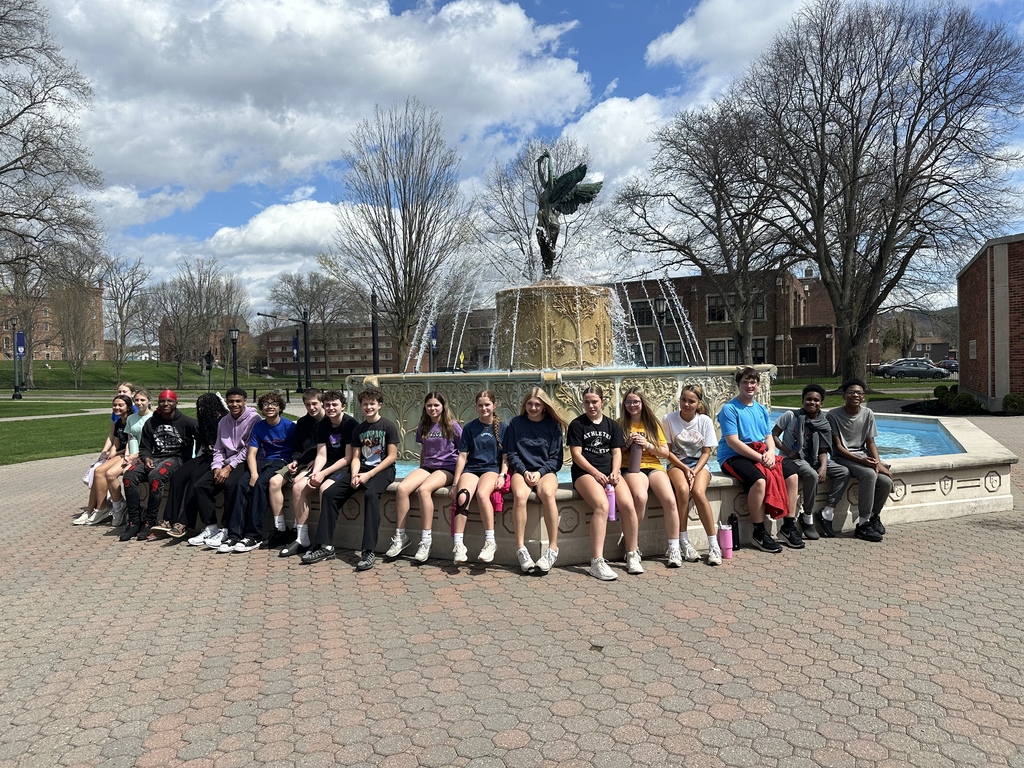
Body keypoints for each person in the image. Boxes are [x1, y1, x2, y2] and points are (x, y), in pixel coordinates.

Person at [301, 386, 398, 570]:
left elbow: (392, 457)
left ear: (379, 405)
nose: (368, 407)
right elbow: (354, 457)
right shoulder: (358, 429)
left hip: (383, 471)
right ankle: (326, 546)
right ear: (361, 406)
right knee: (329, 494)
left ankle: (368, 551)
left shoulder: (388, 426)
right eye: (365, 404)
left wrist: (369, 474)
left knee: (370, 495)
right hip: (361, 469)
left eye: (372, 404)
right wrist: (354, 475)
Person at [717, 367, 801, 553]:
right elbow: (733, 442)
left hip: (761, 454)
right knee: (759, 481)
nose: (749, 386)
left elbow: (768, 435)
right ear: (738, 385)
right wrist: (762, 459)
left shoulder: (760, 409)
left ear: (758, 385)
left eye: (752, 382)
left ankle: (788, 525)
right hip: (733, 456)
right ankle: (759, 532)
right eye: (745, 382)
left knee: (792, 475)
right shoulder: (729, 409)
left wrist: (771, 452)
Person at [567, 385, 640, 580]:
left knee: (628, 505)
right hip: (585, 473)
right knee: (601, 506)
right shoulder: (577, 424)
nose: (590, 406)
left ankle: (632, 553)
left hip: (609, 472)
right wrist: (595, 472)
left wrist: (615, 472)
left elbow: (616, 451)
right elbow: (576, 455)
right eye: (587, 402)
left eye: (594, 402)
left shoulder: (611, 425)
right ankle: (597, 561)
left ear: (602, 402)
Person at [386, 392, 462, 563]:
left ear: (443, 406)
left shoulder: (452, 425)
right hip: (427, 466)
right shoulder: (424, 424)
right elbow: (423, 450)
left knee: (424, 490)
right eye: (429, 405)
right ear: (425, 407)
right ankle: (400, 537)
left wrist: (458, 480)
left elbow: (463, 451)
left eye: (436, 405)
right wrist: (420, 469)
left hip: (447, 468)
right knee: (402, 488)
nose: (433, 408)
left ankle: (426, 540)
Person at [280, 389, 357, 558]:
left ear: (343, 406)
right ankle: (302, 538)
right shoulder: (323, 425)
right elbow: (321, 454)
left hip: (343, 466)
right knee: (298, 487)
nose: (330, 408)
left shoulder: (350, 424)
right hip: (326, 464)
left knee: (325, 490)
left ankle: (325, 543)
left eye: (334, 405)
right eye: (328, 405)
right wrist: (315, 474)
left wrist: (323, 474)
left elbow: (348, 458)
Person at [218, 392, 296, 553]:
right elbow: (251, 454)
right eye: (266, 404)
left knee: (261, 484)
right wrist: (253, 473)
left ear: (280, 407)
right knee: (241, 484)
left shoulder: (289, 426)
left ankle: (253, 535)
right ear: (261, 408)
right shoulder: (259, 427)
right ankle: (234, 535)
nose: (270, 407)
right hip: (262, 462)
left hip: (282, 462)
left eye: (274, 403)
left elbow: (298, 450)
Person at [772, 383, 850, 539]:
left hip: (814, 459)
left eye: (816, 400)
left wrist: (823, 467)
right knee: (811, 475)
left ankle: (827, 510)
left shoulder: (823, 423)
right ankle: (807, 517)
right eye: (808, 399)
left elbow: (823, 450)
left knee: (843, 471)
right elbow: (773, 435)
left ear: (821, 403)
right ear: (802, 401)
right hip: (790, 459)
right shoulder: (791, 416)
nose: (812, 403)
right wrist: (788, 451)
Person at [120, 389, 199, 541]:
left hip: (177, 458)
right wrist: (146, 457)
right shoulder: (152, 422)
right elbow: (144, 447)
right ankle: (134, 521)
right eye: (162, 401)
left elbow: (203, 437)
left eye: (169, 401)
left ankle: (150, 521)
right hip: (156, 457)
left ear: (176, 403)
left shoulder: (187, 422)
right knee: (129, 476)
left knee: (156, 477)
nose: (166, 404)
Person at [186, 388, 260, 548]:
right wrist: (216, 467)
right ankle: (211, 527)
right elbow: (218, 448)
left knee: (230, 485)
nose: (235, 404)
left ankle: (227, 529)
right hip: (225, 462)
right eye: (231, 401)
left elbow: (248, 449)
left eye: (238, 401)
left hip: (244, 461)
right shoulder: (223, 421)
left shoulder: (254, 419)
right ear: (226, 402)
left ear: (245, 401)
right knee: (200, 486)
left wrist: (229, 468)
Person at [618, 386, 682, 570]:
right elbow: (614, 452)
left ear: (642, 403)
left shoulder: (653, 424)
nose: (632, 405)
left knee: (670, 500)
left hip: (653, 467)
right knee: (640, 497)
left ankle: (674, 547)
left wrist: (647, 444)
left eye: (636, 401)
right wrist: (627, 444)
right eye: (629, 402)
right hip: (630, 468)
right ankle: (633, 546)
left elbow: (664, 452)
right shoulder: (619, 423)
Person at [152, 392, 230, 539]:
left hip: (220, 459)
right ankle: (169, 519)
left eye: (204, 407)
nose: (200, 410)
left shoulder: (223, 421)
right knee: (178, 476)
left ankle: (183, 523)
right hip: (204, 456)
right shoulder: (204, 421)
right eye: (199, 407)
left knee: (195, 479)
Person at [505, 387, 566, 574]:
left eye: (537, 404)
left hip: (545, 471)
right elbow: (511, 453)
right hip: (521, 471)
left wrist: (540, 472)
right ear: (525, 404)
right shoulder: (516, 423)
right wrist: (523, 471)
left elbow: (556, 458)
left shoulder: (553, 425)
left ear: (544, 406)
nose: (533, 407)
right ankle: (521, 548)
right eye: (530, 404)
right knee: (520, 495)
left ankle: (552, 548)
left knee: (548, 493)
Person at [825, 378, 893, 542]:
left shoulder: (867, 413)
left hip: (863, 456)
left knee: (885, 481)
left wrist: (877, 463)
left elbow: (870, 443)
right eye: (851, 392)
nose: (855, 395)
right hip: (843, 457)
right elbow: (838, 447)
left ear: (863, 397)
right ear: (844, 395)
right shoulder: (833, 415)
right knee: (869, 475)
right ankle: (862, 525)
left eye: (859, 393)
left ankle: (873, 516)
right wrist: (866, 463)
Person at [662, 384, 722, 566]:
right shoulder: (669, 419)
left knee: (698, 492)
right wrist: (685, 469)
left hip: (699, 465)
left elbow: (706, 452)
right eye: (683, 400)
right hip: (677, 464)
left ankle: (713, 545)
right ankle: (684, 542)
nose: (686, 404)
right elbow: (667, 451)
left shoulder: (704, 421)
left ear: (698, 403)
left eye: (691, 401)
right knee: (681, 489)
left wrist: (694, 471)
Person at [450, 390, 508, 565]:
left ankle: (490, 542)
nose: (484, 408)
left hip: (491, 469)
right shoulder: (469, 428)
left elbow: (506, 456)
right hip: (471, 469)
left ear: (494, 405)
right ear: (476, 407)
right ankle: (458, 545)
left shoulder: (503, 427)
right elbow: (462, 456)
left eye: (487, 405)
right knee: (462, 496)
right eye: (480, 405)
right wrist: (455, 482)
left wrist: (503, 475)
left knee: (483, 494)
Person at [265, 388, 324, 549]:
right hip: (301, 462)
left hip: (317, 463)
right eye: (307, 405)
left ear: (321, 403)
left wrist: (315, 460)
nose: (311, 408)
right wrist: (295, 461)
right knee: (274, 482)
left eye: (314, 404)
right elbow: (297, 447)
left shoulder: (327, 422)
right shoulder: (303, 423)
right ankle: (280, 528)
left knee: (298, 484)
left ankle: (301, 534)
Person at [77, 394, 134, 526]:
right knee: (97, 471)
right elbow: (116, 442)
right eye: (115, 405)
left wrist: (117, 454)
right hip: (119, 453)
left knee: (105, 472)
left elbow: (130, 444)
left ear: (128, 406)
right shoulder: (119, 422)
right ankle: (99, 509)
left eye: (120, 405)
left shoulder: (131, 420)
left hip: (128, 454)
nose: (117, 407)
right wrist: (110, 454)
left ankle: (114, 506)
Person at [109, 389, 153, 527]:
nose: (139, 403)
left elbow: (151, 443)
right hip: (133, 453)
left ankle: (135, 510)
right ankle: (119, 506)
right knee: (110, 474)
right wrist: (128, 455)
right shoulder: (131, 418)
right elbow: (131, 438)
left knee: (129, 474)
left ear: (149, 402)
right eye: (137, 400)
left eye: (142, 400)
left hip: (146, 453)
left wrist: (137, 456)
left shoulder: (153, 418)